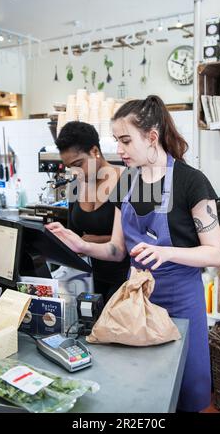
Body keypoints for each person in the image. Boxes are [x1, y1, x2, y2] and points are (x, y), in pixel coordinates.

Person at [46, 95, 220, 412]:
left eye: (126, 140)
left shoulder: (190, 182)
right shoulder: (129, 182)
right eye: (117, 140)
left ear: (151, 137)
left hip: (181, 303)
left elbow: (215, 255)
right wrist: (81, 245)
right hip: (136, 302)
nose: (120, 149)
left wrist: (166, 252)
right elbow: (117, 251)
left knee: (187, 391)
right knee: (142, 391)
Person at [55, 121, 130, 303]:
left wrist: (90, 240)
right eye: (69, 167)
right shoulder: (75, 187)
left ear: (95, 151)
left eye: (78, 164)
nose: (74, 172)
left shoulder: (127, 181)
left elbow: (136, 237)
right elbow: (75, 234)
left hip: (123, 280)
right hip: (86, 280)